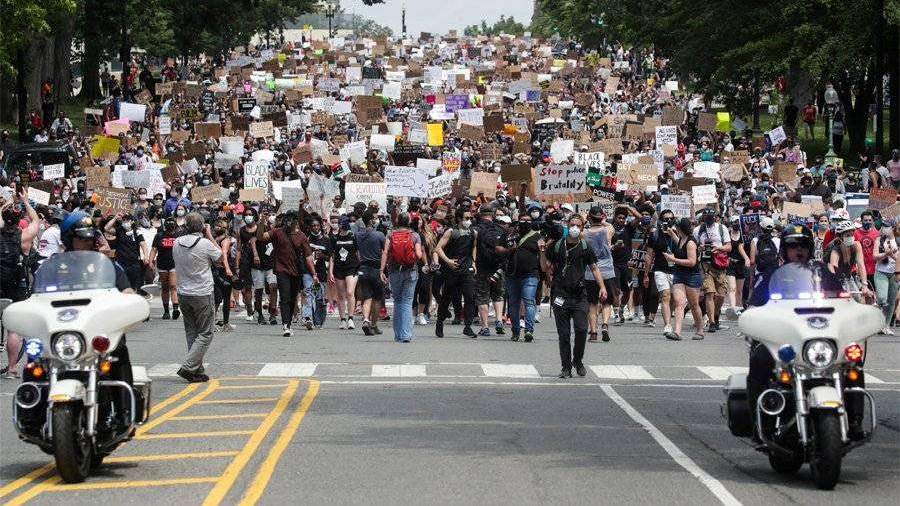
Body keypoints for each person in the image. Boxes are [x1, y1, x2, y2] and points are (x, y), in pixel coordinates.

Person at [540, 213, 606, 378]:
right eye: (572, 225)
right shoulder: (556, 246)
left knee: (582, 329)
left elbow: (594, 268)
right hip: (560, 294)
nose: (575, 228)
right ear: (567, 226)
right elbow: (545, 267)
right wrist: (542, 252)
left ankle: (578, 360)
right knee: (563, 334)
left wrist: (602, 287)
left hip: (579, 295)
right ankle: (566, 367)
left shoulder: (585, 247)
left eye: (578, 225)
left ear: (582, 228)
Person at [172, 212, 222, 383]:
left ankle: (196, 369)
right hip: (202, 292)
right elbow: (220, 258)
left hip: (183, 292)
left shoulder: (177, 242)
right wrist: (208, 234)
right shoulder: (205, 243)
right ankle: (188, 367)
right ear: (202, 226)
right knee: (206, 332)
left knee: (192, 331)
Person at [0, 192, 40, 378]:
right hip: (17, 285)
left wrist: (4, 206)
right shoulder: (24, 236)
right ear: (18, 220)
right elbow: (36, 219)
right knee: (13, 328)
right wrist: (25, 200)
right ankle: (12, 368)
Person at [257, 211, 315, 337]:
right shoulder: (277, 232)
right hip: (281, 270)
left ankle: (288, 322)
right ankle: (286, 325)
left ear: (296, 221)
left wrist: (314, 274)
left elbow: (308, 257)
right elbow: (261, 237)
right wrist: (262, 221)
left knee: (293, 299)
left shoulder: (302, 236)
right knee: (285, 297)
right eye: (286, 218)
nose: (288, 221)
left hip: (297, 271)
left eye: (291, 218)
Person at [380, 212, 425, 342]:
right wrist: (412, 259)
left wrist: (382, 270)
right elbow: (418, 254)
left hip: (394, 271)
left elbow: (385, 252)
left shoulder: (391, 234)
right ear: (409, 222)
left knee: (397, 301)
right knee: (407, 302)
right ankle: (405, 334)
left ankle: (398, 334)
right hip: (410, 271)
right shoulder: (414, 235)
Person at [434, 208, 478, 338]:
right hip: (452, 270)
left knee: (470, 297)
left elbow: (474, 247)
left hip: (466, 270)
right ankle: (440, 321)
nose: (469, 221)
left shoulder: (473, 232)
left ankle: (468, 326)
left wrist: (474, 262)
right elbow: (438, 248)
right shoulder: (451, 232)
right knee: (447, 298)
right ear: (459, 218)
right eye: (466, 218)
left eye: (470, 218)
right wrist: (448, 261)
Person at [504, 209, 542, 342]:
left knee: (529, 302)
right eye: (523, 221)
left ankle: (529, 330)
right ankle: (515, 330)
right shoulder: (512, 235)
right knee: (513, 303)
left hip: (530, 275)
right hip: (512, 274)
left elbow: (543, 257)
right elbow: (501, 249)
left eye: (528, 221)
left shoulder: (537, 237)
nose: (526, 223)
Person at [664, 218, 704, 340]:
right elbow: (680, 246)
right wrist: (672, 234)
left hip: (692, 276)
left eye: (677, 227)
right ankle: (677, 332)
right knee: (679, 303)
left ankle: (700, 330)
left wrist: (673, 260)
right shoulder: (682, 239)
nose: (675, 228)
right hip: (679, 274)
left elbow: (692, 262)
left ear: (681, 228)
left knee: (694, 305)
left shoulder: (691, 242)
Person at [584, 206, 618, 342]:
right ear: (601, 217)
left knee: (592, 303)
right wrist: (602, 220)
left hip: (590, 270)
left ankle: (593, 332)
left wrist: (588, 220)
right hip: (607, 270)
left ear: (590, 218)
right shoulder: (608, 230)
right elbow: (609, 224)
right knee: (607, 302)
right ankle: (605, 324)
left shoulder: (584, 233)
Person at [694, 208, 731, 332]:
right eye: (707, 217)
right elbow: (692, 246)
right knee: (709, 293)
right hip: (705, 266)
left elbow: (729, 247)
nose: (709, 219)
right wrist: (700, 248)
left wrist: (719, 248)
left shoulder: (722, 229)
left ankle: (715, 315)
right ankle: (712, 322)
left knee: (720, 295)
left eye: (711, 217)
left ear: (715, 217)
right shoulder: (697, 230)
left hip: (720, 265)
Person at [473, 205, 505, 337]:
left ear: (480, 214)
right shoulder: (501, 229)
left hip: (482, 268)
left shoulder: (476, 229)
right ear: (492, 215)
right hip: (498, 267)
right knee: (498, 295)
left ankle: (485, 327)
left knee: (482, 297)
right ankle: (498, 320)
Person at [645, 209, 676, 335]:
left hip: (676, 270)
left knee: (675, 298)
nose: (668, 221)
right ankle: (667, 325)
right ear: (661, 220)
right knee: (665, 296)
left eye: (671, 219)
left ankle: (670, 317)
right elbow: (649, 255)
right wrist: (646, 274)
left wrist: (673, 234)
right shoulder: (655, 235)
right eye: (665, 219)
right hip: (660, 270)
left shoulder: (678, 233)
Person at [355, 211, 386, 336]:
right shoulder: (379, 235)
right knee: (377, 298)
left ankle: (366, 320)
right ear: (371, 220)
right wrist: (383, 269)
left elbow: (356, 252)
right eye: (375, 218)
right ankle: (374, 324)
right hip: (375, 268)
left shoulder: (358, 235)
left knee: (366, 296)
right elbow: (385, 252)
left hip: (363, 268)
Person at [330, 216, 360, 330]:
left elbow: (358, 253)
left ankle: (351, 318)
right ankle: (343, 319)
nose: (340, 225)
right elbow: (332, 255)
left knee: (350, 291)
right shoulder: (334, 238)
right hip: (339, 267)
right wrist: (331, 272)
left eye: (342, 223)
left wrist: (360, 266)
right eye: (339, 223)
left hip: (352, 267)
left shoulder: (353, 236)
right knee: (341, 295)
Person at [872, 221, 900, 334]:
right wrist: (885, 254)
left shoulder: (897, 241)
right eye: (883, 227)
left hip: (894, 273)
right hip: (881, 272)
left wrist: (892, 255)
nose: (884, 229)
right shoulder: (879, 240)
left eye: (887, 227)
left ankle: (886, 326)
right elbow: (874, 256)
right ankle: (876, 322)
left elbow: (899, 259)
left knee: (891, 300)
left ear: (892, 228)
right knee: (882, 298)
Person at [150, 218, 180, 319]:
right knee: (165, 287)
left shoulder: (178, 236)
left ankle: (175, 308)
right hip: (162, 264)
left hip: (174, 264)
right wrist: (151, 261)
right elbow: (154, 249)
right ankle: (166, 311)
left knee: (173, 286)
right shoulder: (159, 236)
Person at [725, 216, 749, 317]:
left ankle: (739, 309)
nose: (736, 224)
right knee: (732, 288)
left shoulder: (744, 236)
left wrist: (746, 259)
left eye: (737, 223)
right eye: (734, 222)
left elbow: (742, 248)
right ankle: (733, 308)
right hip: (730, 264)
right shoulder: (727, 234)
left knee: (739, 290)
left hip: (741, 265)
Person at [854, 211, 880, 292]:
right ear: (861, 221)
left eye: (869, 220)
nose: (868, 222)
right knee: (864, 293)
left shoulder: (877, 233)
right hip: (861, 270)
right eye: (865, 220)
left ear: (872, 221)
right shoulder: (855, 233)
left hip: (875, 269)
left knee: (875, 293)